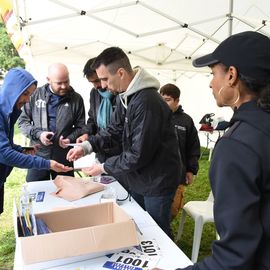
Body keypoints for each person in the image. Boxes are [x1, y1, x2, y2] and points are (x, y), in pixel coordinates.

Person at [152, 31, 270, 270]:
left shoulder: (237, 146)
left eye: (213, 73)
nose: (210, 82)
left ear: (232, 76)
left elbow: (234, 259)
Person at [67, 47, 182, 237]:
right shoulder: (126, 96)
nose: (102, 86)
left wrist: (103, 167)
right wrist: (87, 146)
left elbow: (138, 154)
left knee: (158, 233)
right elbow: (114, 129)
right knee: (139, 225)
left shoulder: (147, 102)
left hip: (157, 180)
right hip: (138, 177)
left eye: (105, 79)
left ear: (120, 73)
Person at [0, 68, 72, 214]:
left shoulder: (7, 112)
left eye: (30, 95)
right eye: (25, 94)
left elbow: (6, 144)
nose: (27, 99)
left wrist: (22, 150)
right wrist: (46, 163)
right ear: (12, 89)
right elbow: (4, 153)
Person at [18, 63, 85, 182]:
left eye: (66, 81)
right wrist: (39, 134)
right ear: (49, 80)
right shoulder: (34, 95)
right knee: (35, 192)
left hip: (64, 156)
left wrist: (69, 139)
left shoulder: (76, 99)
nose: (64, 86)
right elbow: (23, 122)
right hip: (38, 156)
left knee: (67, 194)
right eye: (59, 83)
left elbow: (81, 127)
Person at [160, 83, 200, 218]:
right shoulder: (155, 117)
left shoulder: (186, 121)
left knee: (172, 209)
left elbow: (193, 147)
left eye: (168, 100)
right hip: (157, 173)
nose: (164, 103)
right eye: (161, 99)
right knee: (157, 208)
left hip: (178, 175)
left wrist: (191, 170)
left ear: (177, 101)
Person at [76, 58, 119, 162]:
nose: (96, 86)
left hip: (119, 153)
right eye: (92, 82)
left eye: (97, 80)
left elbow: (118, 128)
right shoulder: (94, 93)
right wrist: (86, 133)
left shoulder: (120, 93)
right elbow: (92, 119)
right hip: (101, 151)